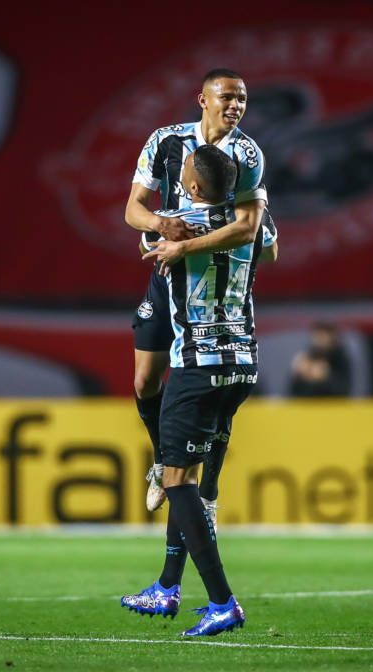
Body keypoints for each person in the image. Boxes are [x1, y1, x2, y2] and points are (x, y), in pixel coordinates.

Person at [121, 145, 269, 636]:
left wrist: (167, 232)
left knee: (176, 481)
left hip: (197, 366)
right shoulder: (250, 224)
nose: (180, 171)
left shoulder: (179, 227)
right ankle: (167, 586)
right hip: (242, 365)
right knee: (185, 475)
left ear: (192, 186)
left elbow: (142, 233)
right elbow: (268, 246)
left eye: (185, 169)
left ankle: (222, 601)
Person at [125, 68, 275, 525]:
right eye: (227, 97)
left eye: (242, 99)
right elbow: (133, 210)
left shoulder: (247, 153)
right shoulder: (165, 141)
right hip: (168, 270)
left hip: (209, 272)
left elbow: (248, 228)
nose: (235, 106)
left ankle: (206, 488)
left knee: (216, 378)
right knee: (144, 381)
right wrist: (160, 225)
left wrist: (186, 245)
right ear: (203, 99)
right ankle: (162, 459)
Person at [288, 321, 353, 397]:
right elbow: (294, 394)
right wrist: (299, 375)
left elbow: (345, 391)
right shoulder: (307, 357)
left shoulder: (341, 359)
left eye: (324, 337)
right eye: (318, 337)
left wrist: (326, 377)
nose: (320, 341)